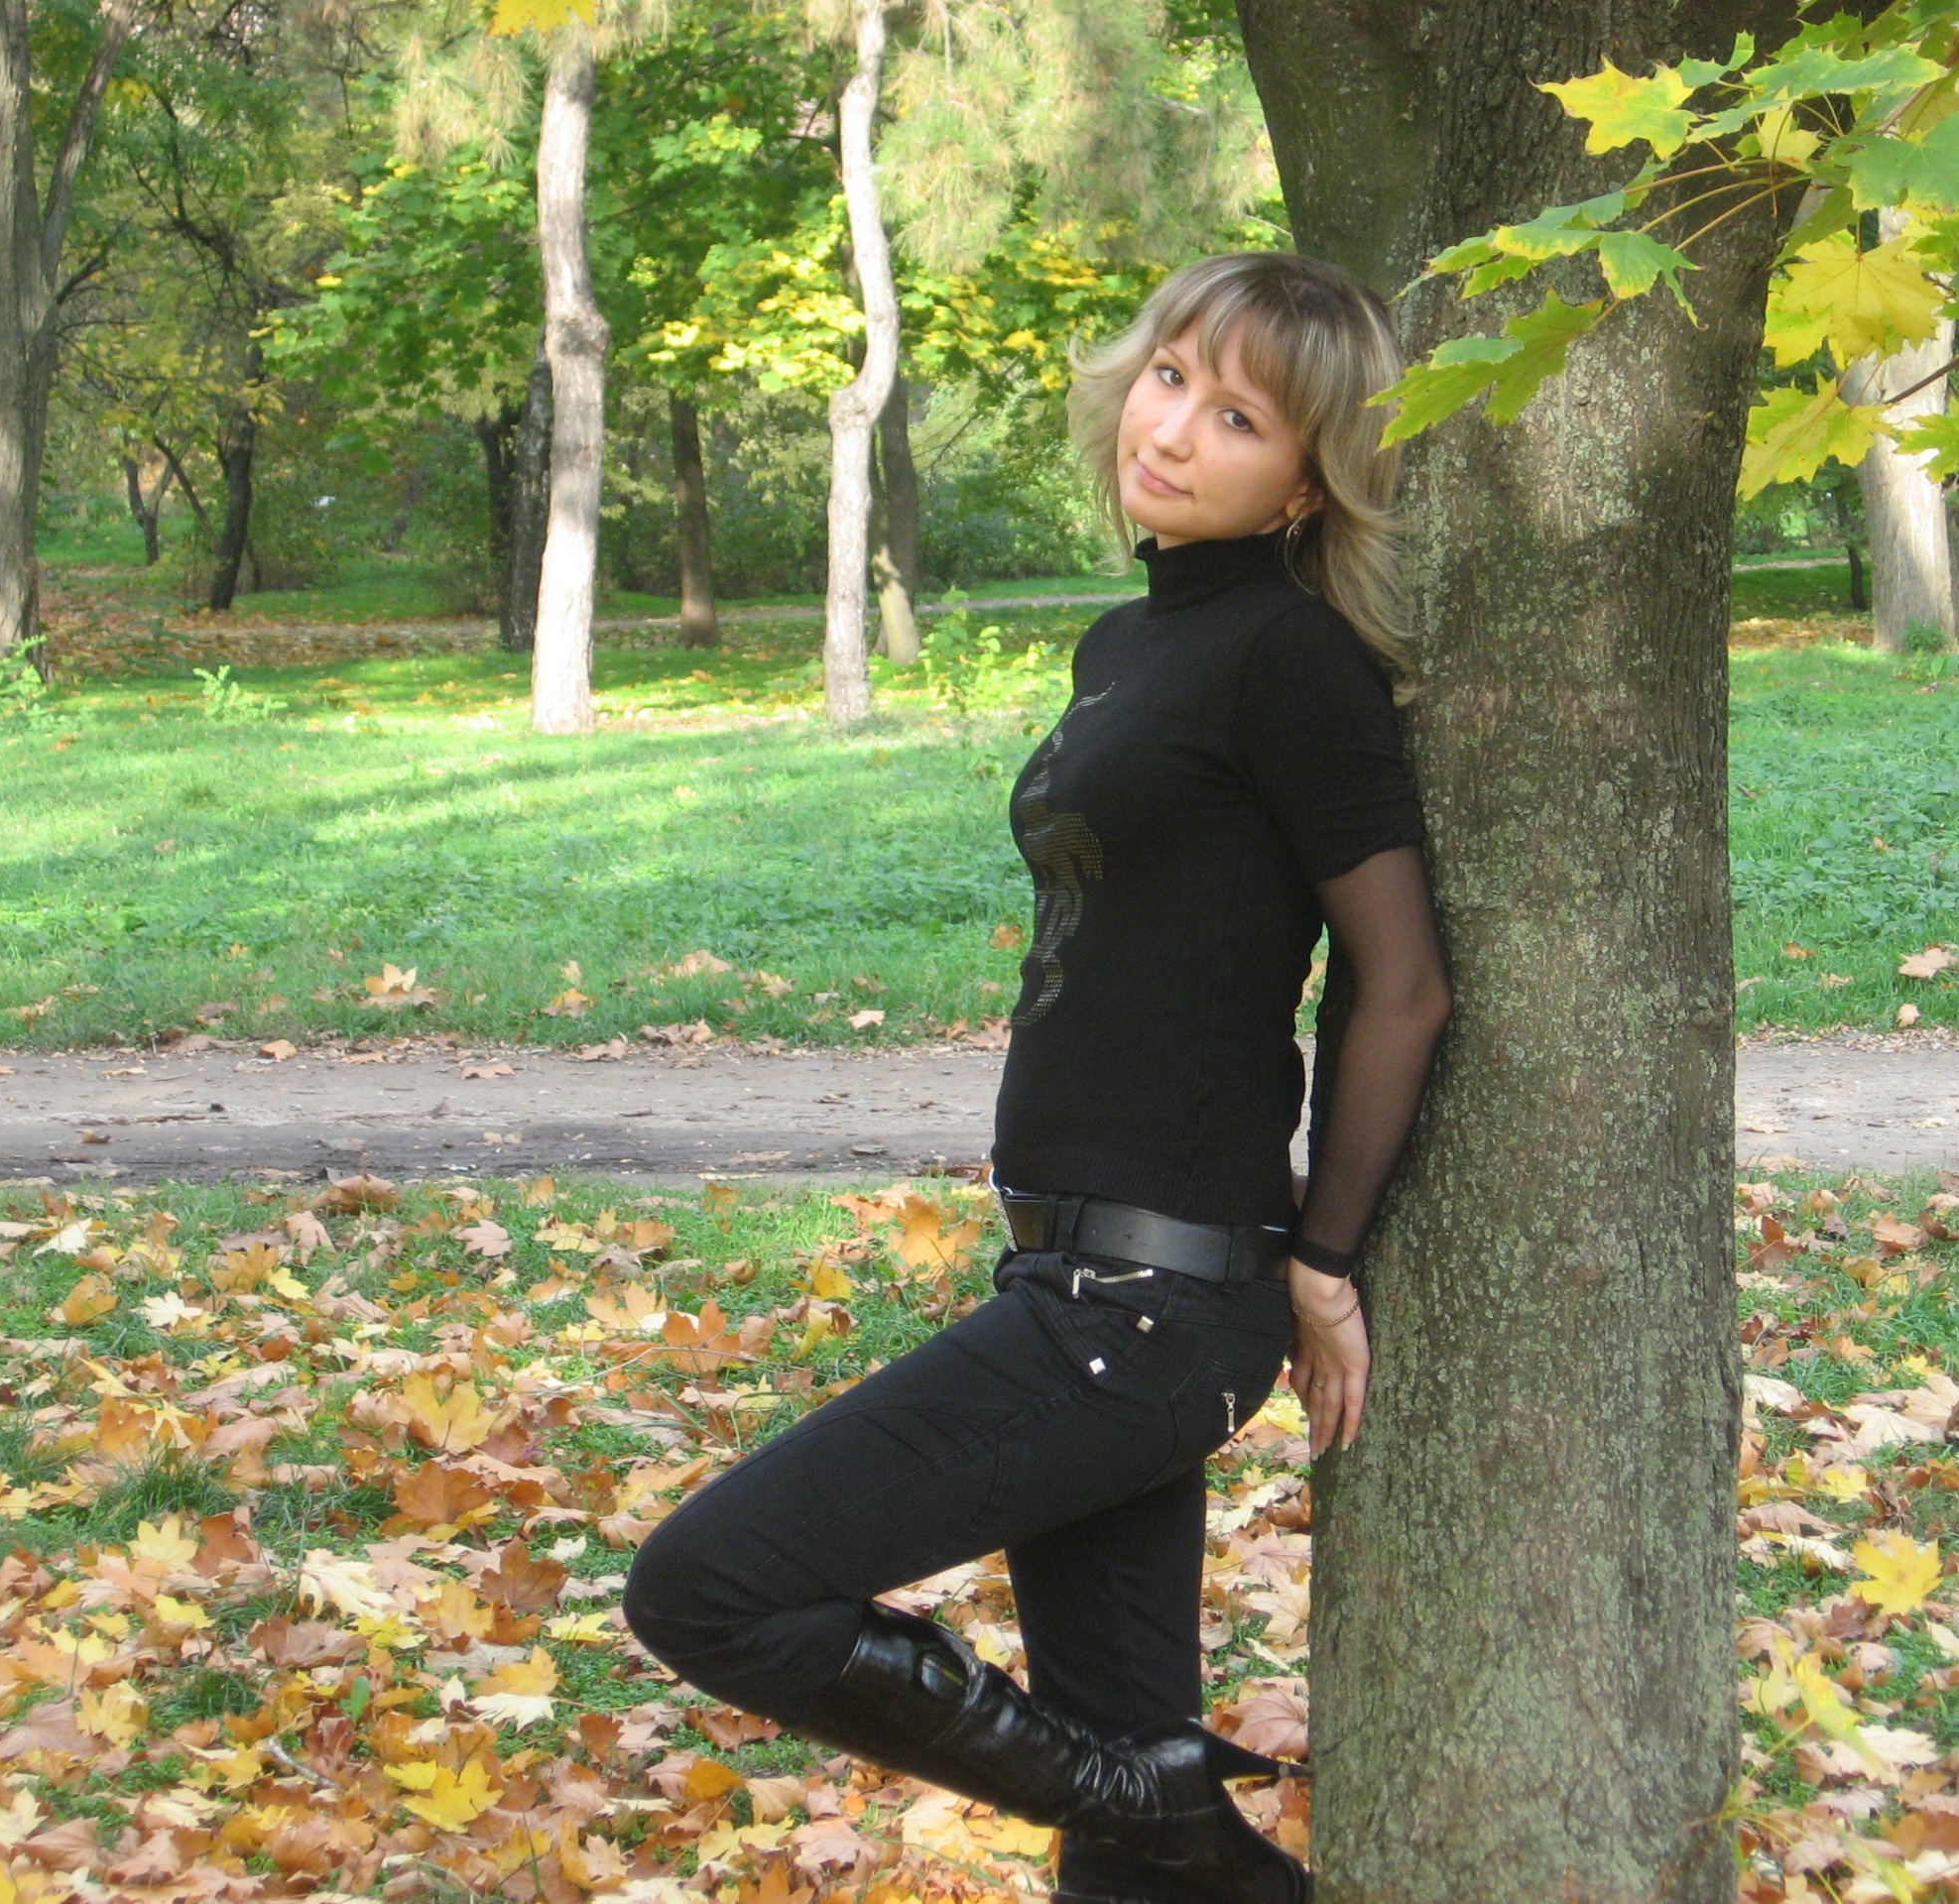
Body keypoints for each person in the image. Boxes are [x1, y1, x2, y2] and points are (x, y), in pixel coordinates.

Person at [622, 252, 1453, 1904]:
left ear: (1309, 481)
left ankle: (1148, 1800)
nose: (1175, 429)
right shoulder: (1128, 641)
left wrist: (1325, 1261)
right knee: (1129, 1871)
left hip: (1150, 1310)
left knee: (708, 1587)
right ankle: (1158, 1818)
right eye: (1171, 377)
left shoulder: (1291, 658)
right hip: (1074, 1274)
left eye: (1240, 419)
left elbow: (1405, 982)